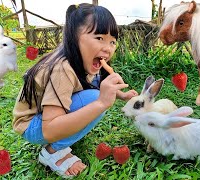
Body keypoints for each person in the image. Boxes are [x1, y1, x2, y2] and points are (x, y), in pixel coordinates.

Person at [12, 3, 138, 178]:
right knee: (95, 100)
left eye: (113, 41)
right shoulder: (62, 69)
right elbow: (49, 129)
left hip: (44, 114)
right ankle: (52, 152)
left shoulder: (84, 61)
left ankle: (64, 135)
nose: (108, 48)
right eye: (99, 38)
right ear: (74, 37)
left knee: (96, 97)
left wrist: (122, 95)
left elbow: (97, 83)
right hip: (32, 124)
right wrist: (101, 102)